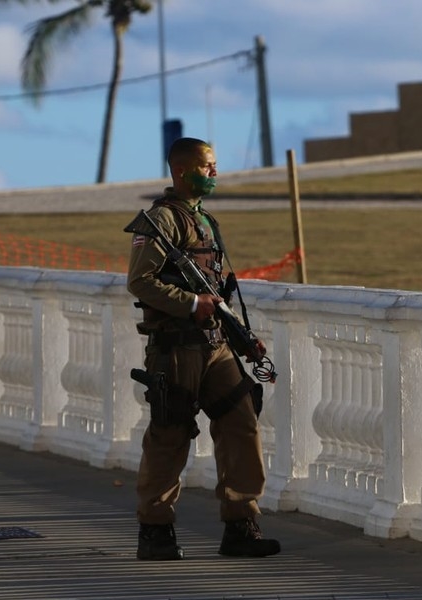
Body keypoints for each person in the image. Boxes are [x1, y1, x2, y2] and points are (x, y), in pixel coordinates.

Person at [126, 137, 280, 560]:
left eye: (213, 165)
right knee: (170, 434)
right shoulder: (161, 221)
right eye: (206, 166)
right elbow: (140, 281)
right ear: (181, 171)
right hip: (176, 350)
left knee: (241, 422)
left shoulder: (206, 221)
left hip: (215, 345)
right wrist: (191, 304)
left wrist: (241, 337)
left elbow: (217, 290)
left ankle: (241, 525)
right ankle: (155, 532)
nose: (213, 172)